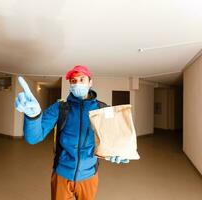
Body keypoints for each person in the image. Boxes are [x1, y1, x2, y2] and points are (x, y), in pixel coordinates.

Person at [15, 65, 130, 200]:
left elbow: (114, 137)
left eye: (82, 79)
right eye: (74, 81)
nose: (77, 84)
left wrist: (121, 152)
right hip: (62, 174)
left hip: (89, 175)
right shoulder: (60, 107)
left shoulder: (102, 109)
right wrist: (33, 116)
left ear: (90, 82)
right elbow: (34, 138)